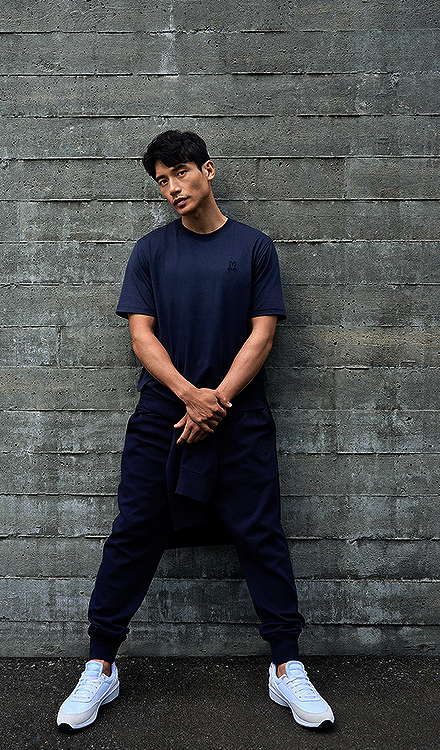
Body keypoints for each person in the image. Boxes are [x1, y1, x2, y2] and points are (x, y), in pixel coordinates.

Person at [57, 130, 334, 731]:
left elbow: (262, 335)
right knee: (134, 532)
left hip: (239, 418)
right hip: (165, 416)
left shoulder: (254, 247)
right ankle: (100, 666)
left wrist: (216, 402)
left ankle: (286, 666)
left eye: (180, 172)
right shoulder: (150, 252)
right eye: (161, 180)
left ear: (208, 170)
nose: (172, 188)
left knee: (260, 534)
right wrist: (190, 396)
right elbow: (141, 336)